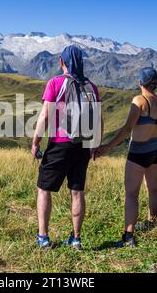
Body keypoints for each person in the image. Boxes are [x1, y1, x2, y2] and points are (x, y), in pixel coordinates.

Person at [31, 45, 102, 250]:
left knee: (44, 189)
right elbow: (98, 119)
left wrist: (36, 142)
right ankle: (76, 239)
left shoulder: (55, 83)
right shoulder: (91, 86)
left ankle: (43, 237)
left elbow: (45, 116)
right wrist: (94, 144)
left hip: (59, 144)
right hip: (83, 146)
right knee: (77, 191)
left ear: (62, 62)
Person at [96, 67, 157, 247]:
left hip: (138, 152)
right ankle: (153, 221)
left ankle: (128, 236)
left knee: (131, 194)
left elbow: (128, 128)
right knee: (153, 189)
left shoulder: (139, 100)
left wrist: (108, 147)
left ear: (140, 82)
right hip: (156, 150)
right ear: (155, 83)